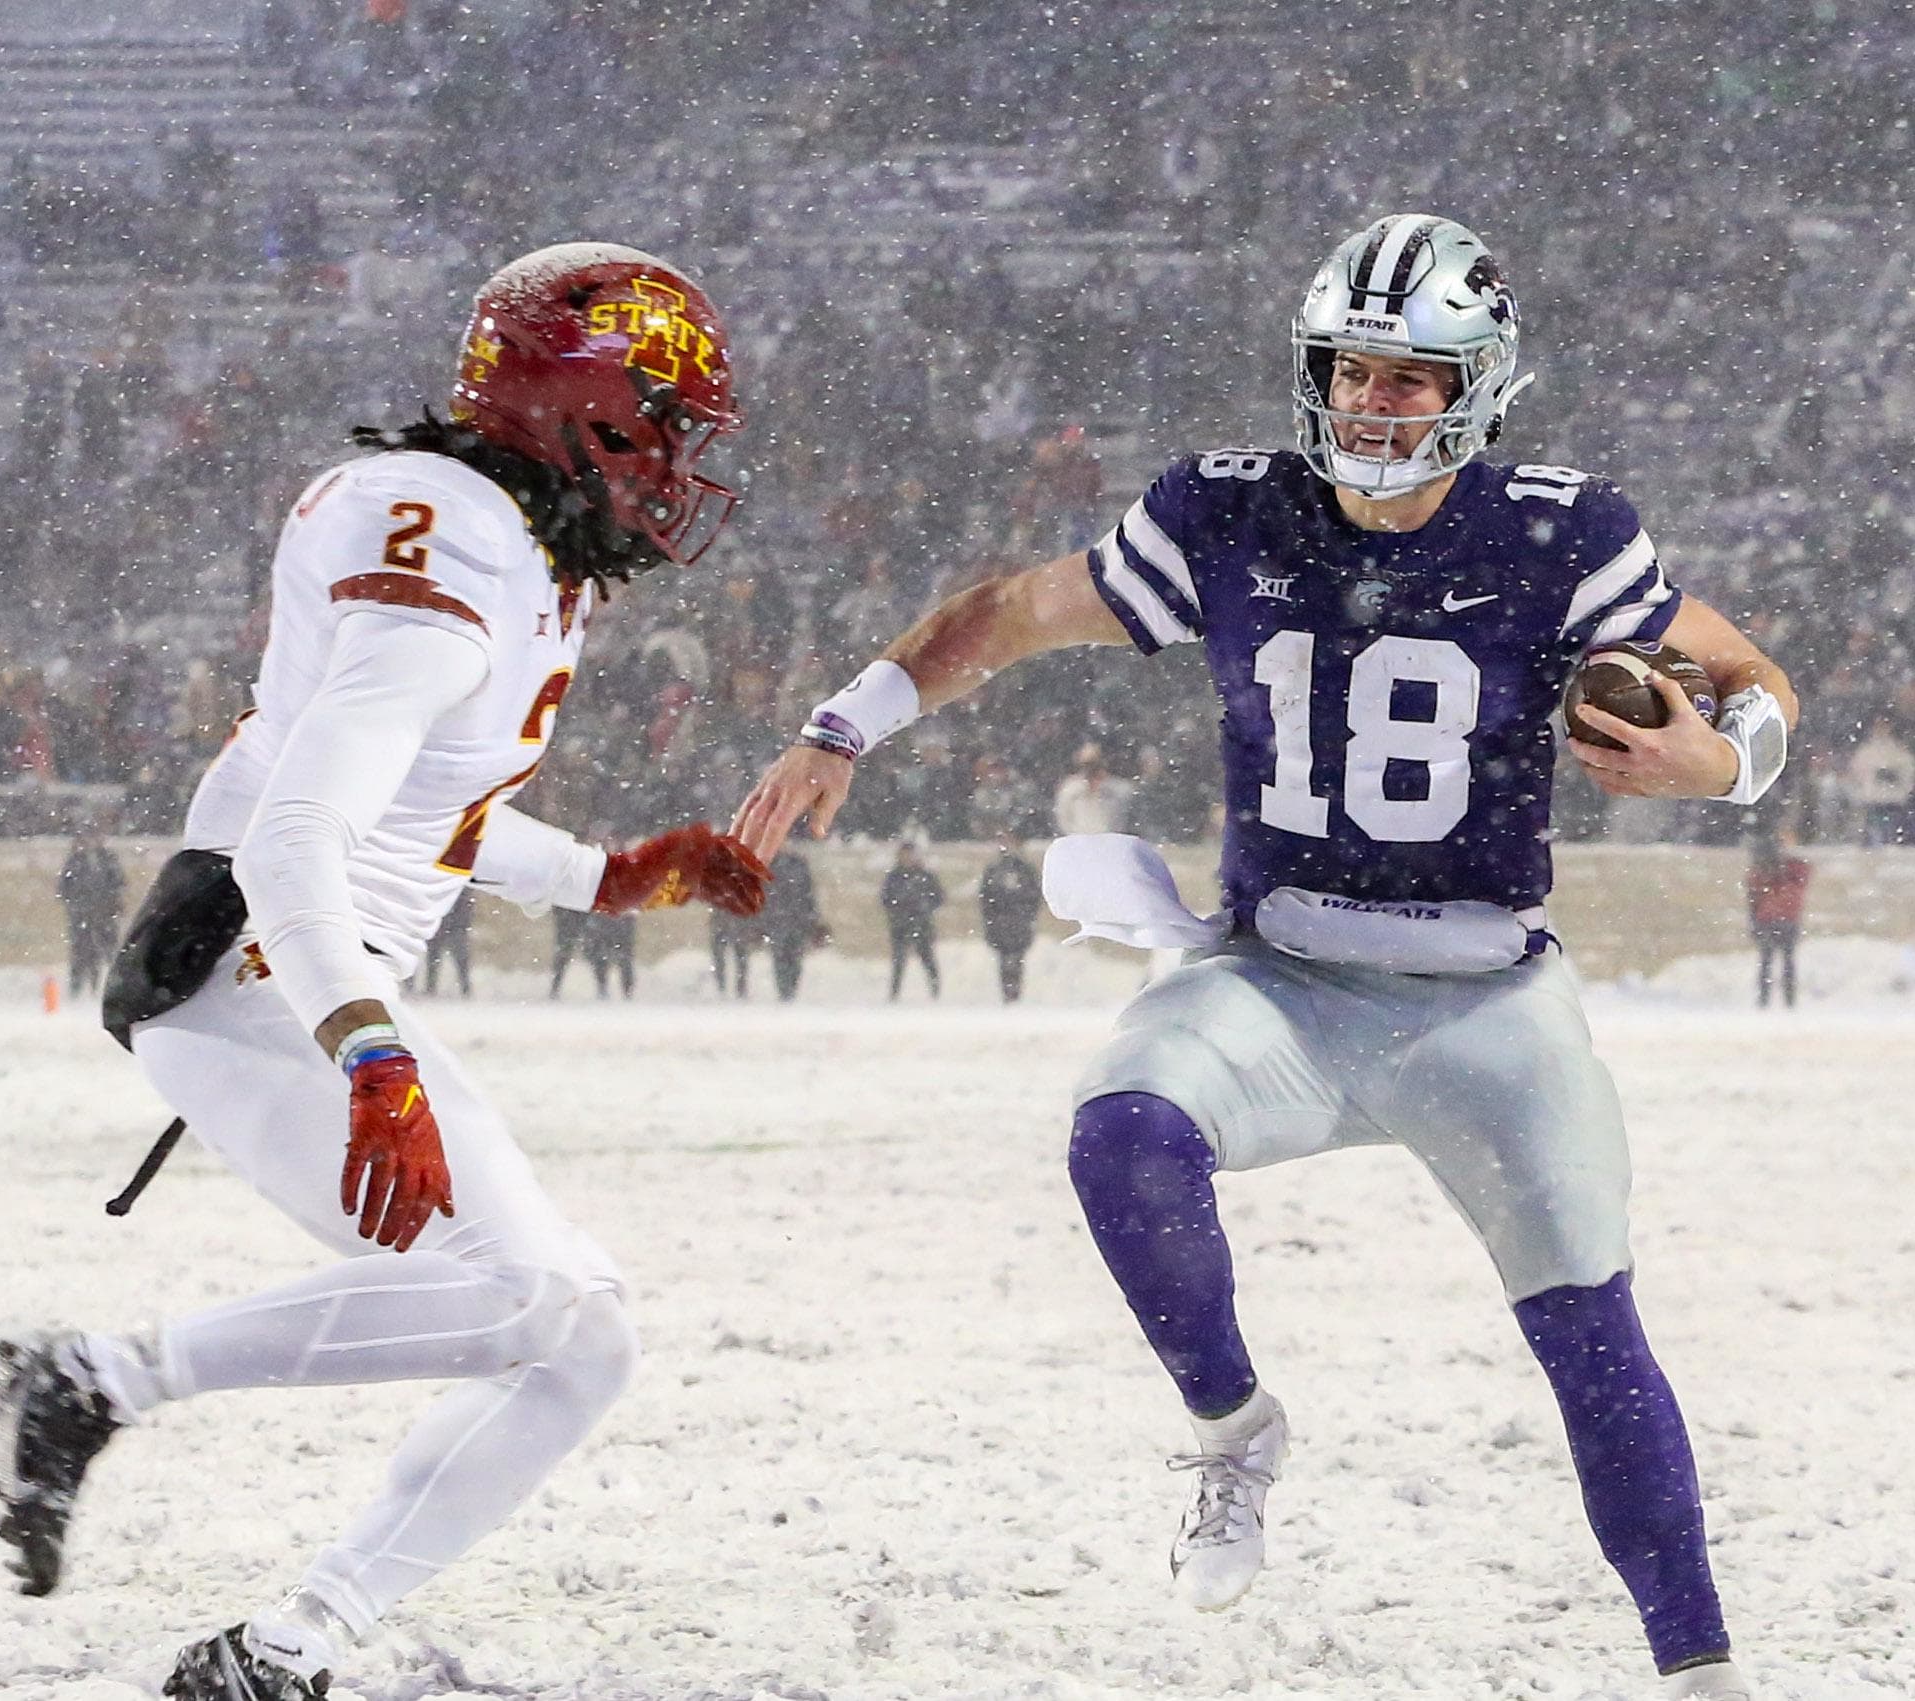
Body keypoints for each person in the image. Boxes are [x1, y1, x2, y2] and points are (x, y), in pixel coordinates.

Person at [735, 214, 1797, 1701]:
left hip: (1486, 996)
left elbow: (1753, 677)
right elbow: (1016, 612)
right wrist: (846, 722)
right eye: (1353, 369)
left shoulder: (1564, 530)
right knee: (1121, 1140)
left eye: (1411, 379)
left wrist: (1723, 768)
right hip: (1278, 972)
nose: (1373, 402)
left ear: (1478, 389)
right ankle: (1234, 1431)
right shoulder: (1229, 510)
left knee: (1589, 1331)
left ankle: (1702, 1674)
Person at [0, 243, 770, 1701]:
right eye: (657, 419)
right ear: (574, 404)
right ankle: (97, 1377)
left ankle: (288, 1643)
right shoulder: (448, 547)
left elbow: (422, 807)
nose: (672, 461)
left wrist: (601, 874)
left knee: (580, 1337)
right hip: (250, 971)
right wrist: (369, 1052)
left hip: (303, 975)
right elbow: (294, 837)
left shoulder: (520, 546)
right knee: (530, 1300)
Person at [1744, 827, 1811, 1009]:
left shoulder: (1792, 868)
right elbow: (1754, 893)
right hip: (1776, 919)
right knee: (1773, 962)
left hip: (1778, 919)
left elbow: (1755, 895)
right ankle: (1770, 1001)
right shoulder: (1769, 870)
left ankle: (1783, 1000)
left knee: (1778, 962)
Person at [59, 829, 127, 998]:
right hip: (81, 917)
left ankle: (112, 989)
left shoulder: (108, 859)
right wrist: (76, 905)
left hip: (105, 916)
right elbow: (63, 888)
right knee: (81, 953)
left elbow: (119, 883)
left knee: (110, 953)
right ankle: (78, 989)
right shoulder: (75, 861)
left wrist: (112, 903)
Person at [977, 836, 1041, 1003]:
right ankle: (1007, 992)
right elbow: (985, 897)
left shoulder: (1026, 870)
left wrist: (1027, 914)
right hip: (1000, 923)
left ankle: (1015, 992)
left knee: (1017, 958)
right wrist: (991, 918)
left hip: (1019, 922)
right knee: (1004, 959)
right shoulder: (994, 870)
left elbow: (1035, 895)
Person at [879, 840, 944, 999]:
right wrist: (897, 911)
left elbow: (938, 897)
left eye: (910, 854)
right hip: (900, 927)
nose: (907, 858)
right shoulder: (894, 877)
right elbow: (885, 899)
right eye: (904, 854)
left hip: (922, 925)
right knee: (899, 963)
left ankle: (936, 993)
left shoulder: (925, 876)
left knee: (928, 961)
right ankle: (894, 995)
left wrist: (924, 907)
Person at [757, 844, 822, 1001]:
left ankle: (790, 989)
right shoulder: (770, 864)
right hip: (777, 920)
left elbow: (808, 893)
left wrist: (811, 916)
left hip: (797, 919)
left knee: (795, 956)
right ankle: (783, 990)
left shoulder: (799, 864)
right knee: (779, 956)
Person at [1053, 741, 1135, 836]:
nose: (1090, 769)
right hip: (1079, 841)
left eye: (1095, 764)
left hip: (1110, 842)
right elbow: (1063, 817)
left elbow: (1123, 816)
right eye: (1087, 764)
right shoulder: (1070, 788)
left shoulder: (1119, 789)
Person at [417, 887, 473, 995]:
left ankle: (431, 988)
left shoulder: (445, 886)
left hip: (445, 927)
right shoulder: (461, 887)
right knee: (457, 960)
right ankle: (464, 989)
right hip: (449, 927)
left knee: (436, 959)